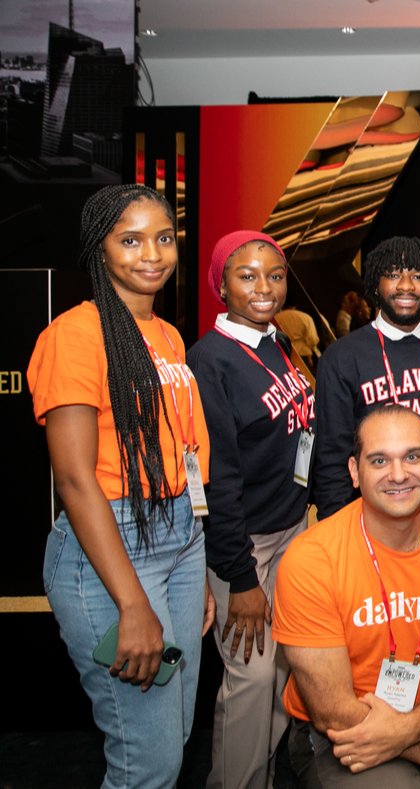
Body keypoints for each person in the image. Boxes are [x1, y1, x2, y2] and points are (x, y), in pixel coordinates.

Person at [28, 184, 213, 789]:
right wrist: (133, 605)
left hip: (180, 537)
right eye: (130, 240)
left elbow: (180, 454)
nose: (152, 254)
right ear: (98, 248)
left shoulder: (167, 335)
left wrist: (195, 568)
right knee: (147, 764)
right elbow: (74, 478)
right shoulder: (75, 334)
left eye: (164, 238)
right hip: (112, 547)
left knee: (173, 738)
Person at [273, 406, 420, 788]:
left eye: (412, 457)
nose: (398, 475)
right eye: (379, 460)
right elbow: (332, 710)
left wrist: (407, 729)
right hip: (342, 733)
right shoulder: (311, 560)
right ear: (354, 471)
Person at [188, 230, 316, 789]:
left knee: (287, 668)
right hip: (243, 544)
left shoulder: (276, 342)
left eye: (275, 275)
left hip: (291, 530)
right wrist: (240, 579)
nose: (264, 287)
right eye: (247, 276)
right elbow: (216, 482)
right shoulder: (209, 361)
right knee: (253, 677)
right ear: (221, 285)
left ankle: (251, 777)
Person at [314, 236, 420, 517]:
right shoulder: (342, 357)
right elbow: (331, 456)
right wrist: (338, 525)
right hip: (370, 515)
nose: (406, 286)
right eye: (392, 275)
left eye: (418, 276)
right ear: (375, 284)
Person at [274, 304, 321, 372]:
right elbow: (313, 339)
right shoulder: (305, 317)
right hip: (304, 353)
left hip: (285, 355)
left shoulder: (276, 318)